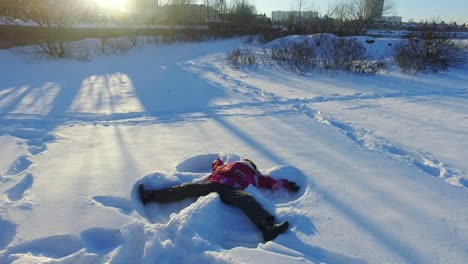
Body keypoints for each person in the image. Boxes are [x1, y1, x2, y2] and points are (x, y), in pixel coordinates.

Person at [139, 158, 300, 242]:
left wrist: (285, 184)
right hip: (212, 184)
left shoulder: (253, 176)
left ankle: (267, 227)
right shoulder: (226, 167)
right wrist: (219, 161)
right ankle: (152, 196)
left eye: (246, 164)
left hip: (231, 190)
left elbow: (269, 182)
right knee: (188, 188)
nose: (242, 165)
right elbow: (216, 164)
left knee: (246, 199)